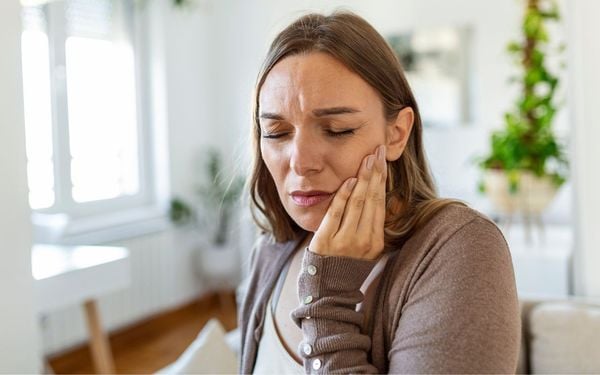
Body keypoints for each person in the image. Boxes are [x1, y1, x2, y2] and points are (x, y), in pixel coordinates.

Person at [239, 10, 520, 374]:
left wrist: (328, 300)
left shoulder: (461, 249)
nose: (301, 162)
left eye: (337, 129)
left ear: (396, 134)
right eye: (276, 133)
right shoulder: (270, 251)